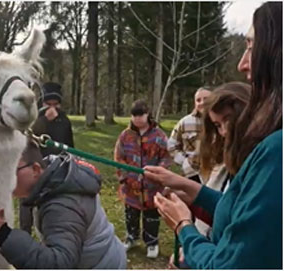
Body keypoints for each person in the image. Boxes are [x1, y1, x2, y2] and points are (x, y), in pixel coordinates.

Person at [145, 2, 282, 268]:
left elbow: (228, 265)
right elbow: (249, 215)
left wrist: (184, 228)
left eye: (252, 47)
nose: (242, 64)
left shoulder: (277, 151)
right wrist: (195, 191)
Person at [0, 141, 127, 269]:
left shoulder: (62, 206)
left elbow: (60, 264)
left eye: (9, 171)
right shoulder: (54, 178)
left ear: (35, 169)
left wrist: (3, 236)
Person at [113, 100, 171, 258]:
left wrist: (159, 172)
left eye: (141, 115)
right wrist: (125, 176)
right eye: (134, 115)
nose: (137, 119)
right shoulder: (125, 136)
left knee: (152, 216)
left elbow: (166, 156)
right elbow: (119, 157)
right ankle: (132, 237)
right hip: (131, 186)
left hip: (152, 186)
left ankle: (151, 242)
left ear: (148, 115)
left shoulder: (158, 135)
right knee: (131, 214)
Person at [194, 82, 251, 236]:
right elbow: (225, 211)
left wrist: (185, 230)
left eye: (228, 120)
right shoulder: (228, 162)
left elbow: (240, 229)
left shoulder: (262, 165)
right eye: (218, 125)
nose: (224, 131)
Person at [19, 82, 74, 233]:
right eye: (47, 104)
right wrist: (44, 120)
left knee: (52, 205)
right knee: (27, 203)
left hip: (56, 169)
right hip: (33, 166)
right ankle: (25, 233)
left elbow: (70, 145)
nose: (52, 108)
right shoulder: (32, 118)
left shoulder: (64, 120)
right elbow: (27, 136)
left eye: (55, 104)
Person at [167, 87, 211, 183]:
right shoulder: (185, 122)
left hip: (215, 174)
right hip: (192, 174)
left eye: (206, 99)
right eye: (198, 100)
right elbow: (171, 145)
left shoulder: (221, 121)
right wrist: (184, 162)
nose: (202, 103)